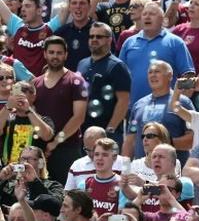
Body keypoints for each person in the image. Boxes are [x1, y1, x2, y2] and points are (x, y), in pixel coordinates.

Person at [32, 36, 88, 184]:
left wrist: (55, 142)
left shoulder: (76, 81)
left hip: (67, 149)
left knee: (65, 196)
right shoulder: (35, 83)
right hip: (39, 151)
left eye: (59, 52)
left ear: (66, 55)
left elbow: (79, 117)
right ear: (45, 54)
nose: (55, 56)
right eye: (51, 52)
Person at [119, 2, 194, 105]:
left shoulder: (175, 42)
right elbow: (120, 75)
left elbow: (188, 75)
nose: (147, 17)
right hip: (134, 108)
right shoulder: (129, 42)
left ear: (162, 20)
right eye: (144, 14)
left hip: (167, 108)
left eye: (152, 14)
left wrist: (180, 102)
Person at [125, 60, 195, 165]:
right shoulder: (138, 105)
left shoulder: (182, 103)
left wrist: (164, 143)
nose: (153, 75)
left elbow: (194, 139)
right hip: (142, 174)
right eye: (150, 72)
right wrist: (123, 169)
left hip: (172, 173)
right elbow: (130, 141)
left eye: (157, 71)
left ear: (170, 76)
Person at [76, 22, 131, 145]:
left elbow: (124, 101)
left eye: (99, 37)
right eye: (91, 36)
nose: (94, 39)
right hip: (84, 134)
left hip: (107, 136)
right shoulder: (82, 64)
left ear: (109, 40)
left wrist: (109, 131)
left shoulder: (117, 66)